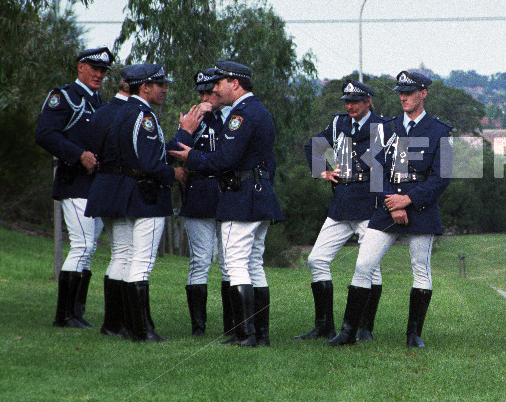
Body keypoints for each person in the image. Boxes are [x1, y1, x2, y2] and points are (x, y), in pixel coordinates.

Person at [329, 70, 452, 348]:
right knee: (364, 264)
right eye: (400, 93)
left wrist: (408, 201)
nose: (403, 98)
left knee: (421, 269)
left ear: (423, 94)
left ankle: (413, 335)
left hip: (420, 206)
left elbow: (441, 178)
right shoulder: (387, 127)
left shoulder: (440, 131)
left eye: (409, 93)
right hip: (387, 205)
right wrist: (391, 201)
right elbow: (376, 168)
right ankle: (348, 332)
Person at [169, 61, 283, 348]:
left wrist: (191, 158)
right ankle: (260, 334)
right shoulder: (261, 111)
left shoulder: (241, 115)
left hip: (240, 196)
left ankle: (245, 335)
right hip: (259, 194)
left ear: (235, 83)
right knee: (254, 264)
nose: (215, 89)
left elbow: (225, 160)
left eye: (220, 83)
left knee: (235, 264)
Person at [87, 63, 182, 342]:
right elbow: (147, 162)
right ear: (145, 87)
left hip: (116, 191)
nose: (165, 90)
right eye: (160, 85)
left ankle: (116, 324)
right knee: (140, 261)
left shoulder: (117, 113)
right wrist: (173, 173)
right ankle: (142, 330)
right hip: (144, 196)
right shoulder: (143, 116)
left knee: (122, 256)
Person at [298, 79, 386, 341]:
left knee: (370, 266)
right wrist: (322, 172)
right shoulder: (338, 123)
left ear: (368, 102)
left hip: (370, 204)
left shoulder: (382, 126)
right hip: (342, 201)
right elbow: (311, 147)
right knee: (317, 259)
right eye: (347, 101)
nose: (349, 106)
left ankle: (365, 329)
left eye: (355, 101)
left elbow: (391, 165)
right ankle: (324, 325)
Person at [36, 46, 113, 329]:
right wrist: (78, 154)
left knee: (89, 248)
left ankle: (77, 312)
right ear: (80, 67)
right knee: (81, 245)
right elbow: (44, 134)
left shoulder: (100, 103)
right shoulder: (65, 96)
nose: (99, 74)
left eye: (103, 70)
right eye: (94, 68)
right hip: (75, 182)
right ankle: (64, 315)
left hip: (96, 185)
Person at [171, 69, 231, 337]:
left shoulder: (233, 116)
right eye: (202, 93)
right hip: (199, 195)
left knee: (230, 261)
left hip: (229, 194)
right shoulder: (193, 119)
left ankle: (234, 324)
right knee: (201, 259)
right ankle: (198, 328)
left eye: (210, 91)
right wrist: (186, 129)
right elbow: (174, 150)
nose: (206, 97)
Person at [85, 77, 130, 337]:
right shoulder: (130, 114)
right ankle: (116, 323)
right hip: (122, 189)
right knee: (125, 254)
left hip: (104, 188)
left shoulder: (101, 113)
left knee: (118, 254)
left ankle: (113, 322)